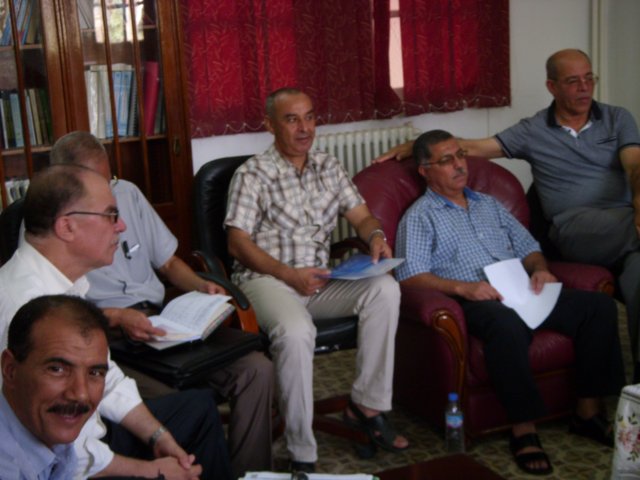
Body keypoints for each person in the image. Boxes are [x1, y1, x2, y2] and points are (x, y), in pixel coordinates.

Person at [375, 48, 640, 371]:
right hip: (577, 228)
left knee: (632, 278)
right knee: (506, 323)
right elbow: (475, 146)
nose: (584, 88)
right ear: (552, 86)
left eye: (589, 79)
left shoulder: (617, 118)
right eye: (573, 81)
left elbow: (635, 166)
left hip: (626, 222)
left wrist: (638, 202)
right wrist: (414, 148)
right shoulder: (533, 131)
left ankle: (620, 390)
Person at [394, 130, 625, 475]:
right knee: (506, 324)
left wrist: (541, 269)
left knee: (598, 307)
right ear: (425, 171)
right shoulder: (420, 216)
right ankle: (524, 428)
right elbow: (410, 275)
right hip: (474, 299)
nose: (459, 165)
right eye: (447, 160)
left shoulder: (488, 204)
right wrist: (464, 288)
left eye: (460, 155)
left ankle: (587, 413)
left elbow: (528, 247)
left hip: (521, 289)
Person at [49, 131, 274, 478]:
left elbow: (168, 262)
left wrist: (201, 285)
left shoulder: (128, 194)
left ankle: (250, 473)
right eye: (98, 182)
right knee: (181, 401)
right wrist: (116, 317)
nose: (111, 192)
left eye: (110, 178)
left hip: (160, 321)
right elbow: (59, 315)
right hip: (107, 337)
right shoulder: (52, 225)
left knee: (256, 370)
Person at [0, 164, 232, 479]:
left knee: (198, 409)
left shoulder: (65, 285)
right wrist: (151, 471)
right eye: (111, 215)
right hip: (67, 461)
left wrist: (159, 436)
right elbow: (66, 451)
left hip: (88, 431)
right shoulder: (26, 308)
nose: (121, 226)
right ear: (67, 227)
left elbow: (107, 379)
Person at [225, 87, 408, 473]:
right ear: (270, 125)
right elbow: (237, 243)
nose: (304, 128)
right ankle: (302, 450)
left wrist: (376, 236)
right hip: (268, 280)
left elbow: (362, 216)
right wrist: (288, 274)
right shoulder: (252, 173)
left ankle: (367, 406)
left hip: (321, 279)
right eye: (292, 119)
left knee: (385, 289)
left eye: (309, 117)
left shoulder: (329, 166)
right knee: (296, 332)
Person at [0, 295, 110, 479]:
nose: (81, 394)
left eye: (95, 373)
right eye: (57, 369)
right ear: (10, 370)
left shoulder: (47, 431)